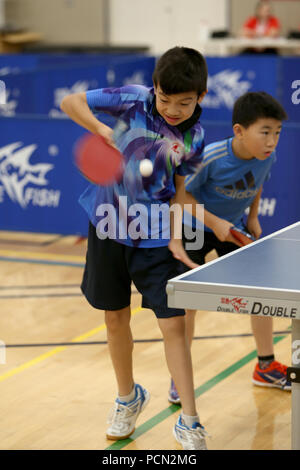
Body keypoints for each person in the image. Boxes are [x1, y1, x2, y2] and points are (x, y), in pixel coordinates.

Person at [60, 46, 209, 450]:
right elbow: (70, 101)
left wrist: (177, 237)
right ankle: (128, 397)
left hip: (157, 235)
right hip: (108, 224)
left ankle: (190, 421)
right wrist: (103, 131)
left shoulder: (194, 135)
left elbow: (181, 192)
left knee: (173, 324)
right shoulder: (131, 98)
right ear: (154, 88)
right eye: (165, 99)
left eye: (185, 102)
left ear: (201, 96)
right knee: (114, 318)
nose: (173, 109)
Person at [168, 91, 290, 405]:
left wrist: (252, 216)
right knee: (188, 301)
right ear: (239, 131)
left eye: (277, 133)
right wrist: (214, 223)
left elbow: (258, 182)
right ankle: (178, 377)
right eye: (265, 132)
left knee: (260, 293)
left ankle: (265, 366)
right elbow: (181, 198)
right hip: (194, 227)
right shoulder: (211, 157)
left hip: (233, 229)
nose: (272, 141)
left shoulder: (268, 156)